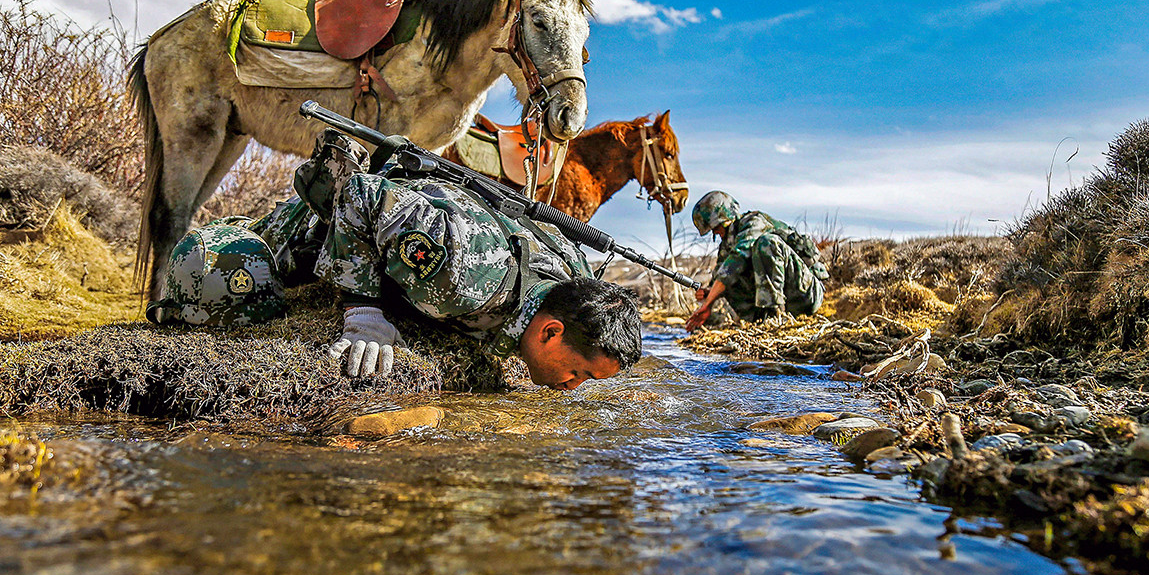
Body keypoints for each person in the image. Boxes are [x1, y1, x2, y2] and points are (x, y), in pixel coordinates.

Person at [149, 129, 643, 390]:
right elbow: (359, 197)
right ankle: (225, 244)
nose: (572, 386)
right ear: (550, 332)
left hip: (424, 218)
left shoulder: (573, 281)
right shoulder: (466, 275)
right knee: (225, 284)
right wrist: (363, 313)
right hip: (309, 234)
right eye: (577, 373)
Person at [685, 191, 829, 331]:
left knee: (766, 243)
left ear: (727, 218)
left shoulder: (754, 222)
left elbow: (737, 259)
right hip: (783, 302)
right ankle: (760, 321)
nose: (715, 232)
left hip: (807, 293)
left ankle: (774, 317)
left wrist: (709, 301)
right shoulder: (727, 245)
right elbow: (721, 274)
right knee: (725, 282)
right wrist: (709, 293)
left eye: (716, 227)